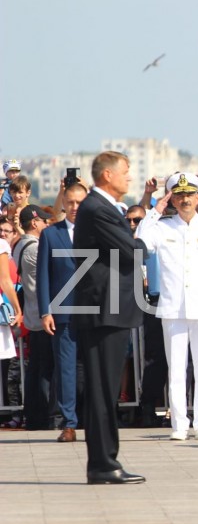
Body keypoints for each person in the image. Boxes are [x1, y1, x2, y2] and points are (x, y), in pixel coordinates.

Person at [136, 173, 198, 441]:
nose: (185, 199)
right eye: (179, 195)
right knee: (176, 368)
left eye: (189, 194)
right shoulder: (161, 227)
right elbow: (141, 241)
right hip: (172, 308)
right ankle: (179, 424)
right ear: (172, 199)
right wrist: (155, 209)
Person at [73, 151, 146, 484]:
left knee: (106, 387)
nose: (129, 178)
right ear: (107, 175)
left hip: (110, 309)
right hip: (104, 310)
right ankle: (103, 464)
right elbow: (130, 252)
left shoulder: (101, 207)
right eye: (126, 172)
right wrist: (145, 239)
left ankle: (105, 461)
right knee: (103, 389)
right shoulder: (98, 208)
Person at [38, 179, 88, 442]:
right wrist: (45, 311)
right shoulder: (50, 234)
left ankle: (98, 420)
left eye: (80, 202)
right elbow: (43, 275)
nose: (75, 207)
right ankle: (69, 423)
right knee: (66, 369)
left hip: (94, 313)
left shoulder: (97, 232)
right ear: (63, 203)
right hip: (64, 313)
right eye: (70, 202)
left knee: (96, 370)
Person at [15, 205, 51, 431]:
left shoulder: (20, 244)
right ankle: (41, 415)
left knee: (37, 368)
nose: (47, 225)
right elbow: (44, 280)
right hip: (40, 315)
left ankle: (35, 415)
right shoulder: (34, 248)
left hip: (34, 315)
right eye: (44, 221)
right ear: (35, 222)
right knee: (43, 369)